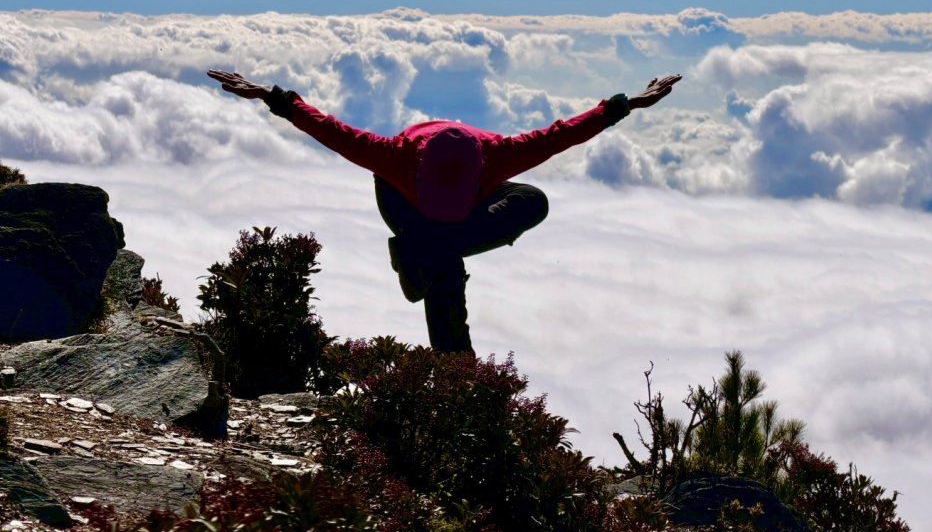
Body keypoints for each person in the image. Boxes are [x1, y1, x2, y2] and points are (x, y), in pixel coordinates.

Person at [207, 68, 681, 356]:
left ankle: (425, 254)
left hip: (443, 213)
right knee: (443, 267)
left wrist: (628, 104)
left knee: (530, 203)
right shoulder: (391, 156)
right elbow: (326, 126)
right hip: (403, 202)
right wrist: (268, 93)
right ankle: (458, 367)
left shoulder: (499, 154)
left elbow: (565, 133)